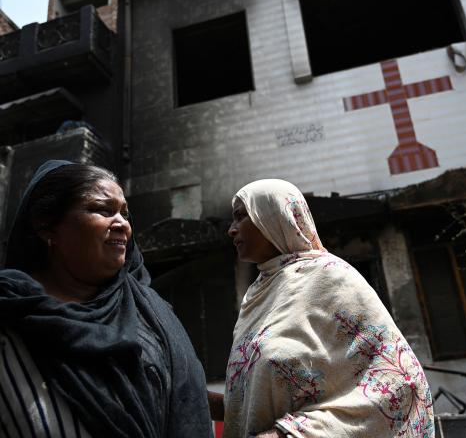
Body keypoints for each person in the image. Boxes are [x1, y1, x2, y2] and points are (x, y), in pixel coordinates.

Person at [0, 160, 213, 438]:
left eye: (125, 213)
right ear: (46, 226)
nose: (122, 224)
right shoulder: (12, 324)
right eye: (102, 210)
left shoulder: (152, 316)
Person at [220, 179, 434, 438]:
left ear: (273, 216)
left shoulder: (331, 278)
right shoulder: (257, 296)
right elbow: (256, 400)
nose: (231, 230)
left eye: (241, 217)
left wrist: (290, 434)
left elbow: (398, 381)